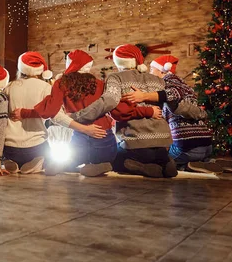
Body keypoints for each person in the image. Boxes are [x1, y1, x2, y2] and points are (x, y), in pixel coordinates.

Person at [13, 50, 151, 177]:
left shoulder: (61, 83)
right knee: (113, 156)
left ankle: (69, 163)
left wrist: (25, 113)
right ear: (88, 66)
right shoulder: (100, 83)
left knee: (74, 157)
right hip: (102, 133)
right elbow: (118, 109)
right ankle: (103, 164)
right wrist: (147, 110)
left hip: (80, 134)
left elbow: (51, 110)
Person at [126, 55, 232, 174]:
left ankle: (187, 165)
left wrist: (143, 96)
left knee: (158, 159)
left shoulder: (168, 82)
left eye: (153, 69)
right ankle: (210, 162)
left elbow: (172, 94)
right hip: (206, 145)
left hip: (188, 148)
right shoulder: (185, 86)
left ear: (162, 71)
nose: (150, 73)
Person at [69, 44, 178, 178]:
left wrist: (77, 116)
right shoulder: (157, 80)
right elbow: (174, 97)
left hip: (136, 142)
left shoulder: (117, 78)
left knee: (113, 158)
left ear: (118, 61)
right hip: (163, 143)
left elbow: (108, 101)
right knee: (156, 155)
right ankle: (165, 163)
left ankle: (143, 167)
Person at [2, 52, 54, 174]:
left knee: (12, 154)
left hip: (10, 146)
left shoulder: (9, 86)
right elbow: (50, 112)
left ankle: (10, 161)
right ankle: (38, 163)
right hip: (35, 146)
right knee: (49, 156)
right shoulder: (46, 87)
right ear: (41, 70)